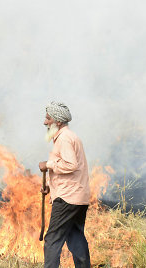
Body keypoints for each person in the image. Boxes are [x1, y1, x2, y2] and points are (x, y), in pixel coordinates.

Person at [38, 101, 91, 268]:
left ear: (58, 122)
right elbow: (69, 167)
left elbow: (70, 165)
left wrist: (48, 165)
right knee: (75, 236)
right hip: (78, 197)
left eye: (48, 118)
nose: (45, 122)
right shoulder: (68, 137)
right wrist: (50, 186)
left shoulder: (65, 139)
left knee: (52, 239)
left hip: (67, 198)